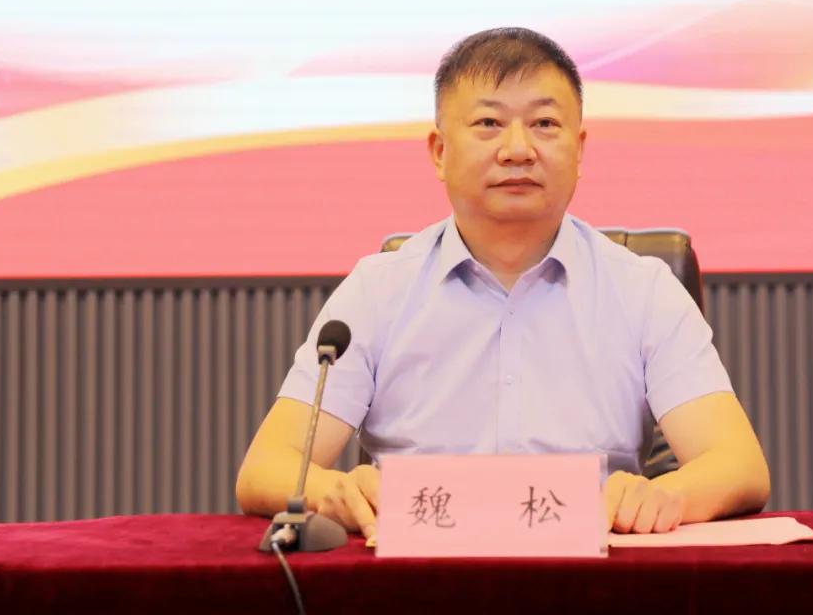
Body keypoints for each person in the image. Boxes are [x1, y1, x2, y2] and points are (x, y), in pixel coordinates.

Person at [236, 27, 770, 539]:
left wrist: (665, 496)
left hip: (593, 571)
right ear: (439, 152)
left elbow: (738, 465)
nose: (518, 149)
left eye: (544, 124)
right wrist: (329, 491)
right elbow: (266, 467)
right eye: (489, 123)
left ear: (579, 149)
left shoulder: (643, 290)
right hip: (418, 573)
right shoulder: (378, 290)